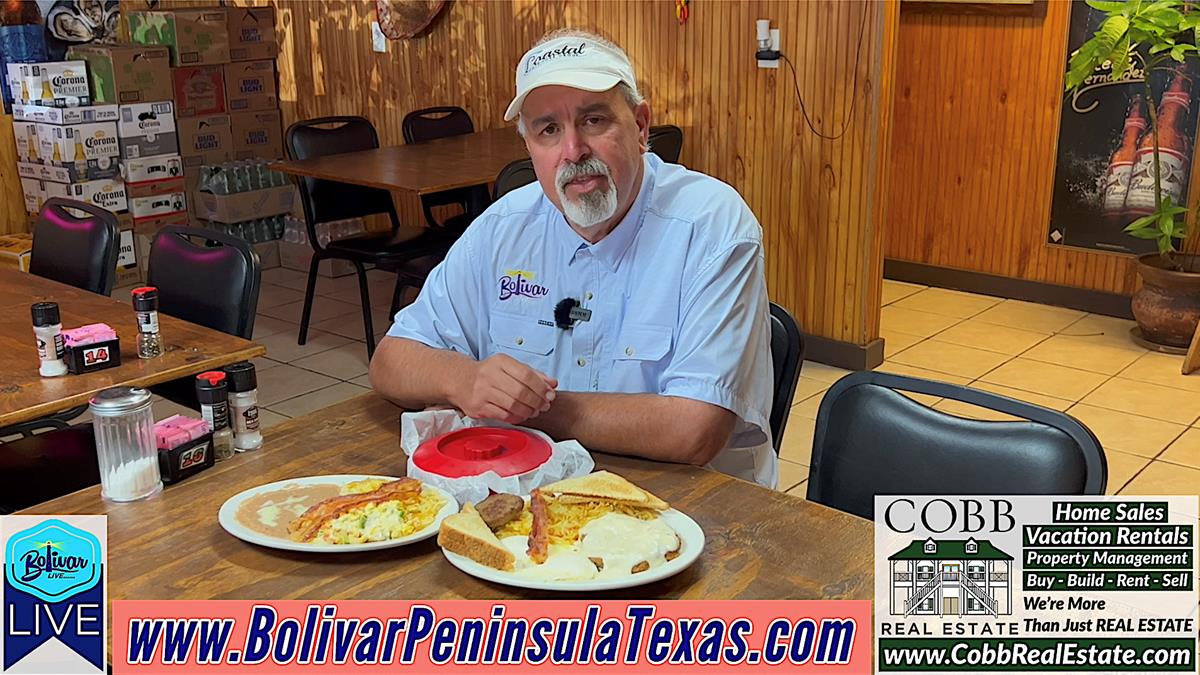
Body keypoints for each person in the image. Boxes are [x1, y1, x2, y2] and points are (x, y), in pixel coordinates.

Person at [369, 28, 777, 487]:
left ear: (641, 127)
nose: (573, 151)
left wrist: (525, 407)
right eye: (548, 130)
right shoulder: (503, 227)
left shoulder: (711, 226)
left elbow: (694, 431)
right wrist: (463, 380)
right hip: (539, 503)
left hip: (696, 511)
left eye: (594, 120)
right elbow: (389, 360)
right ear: (529, 147)